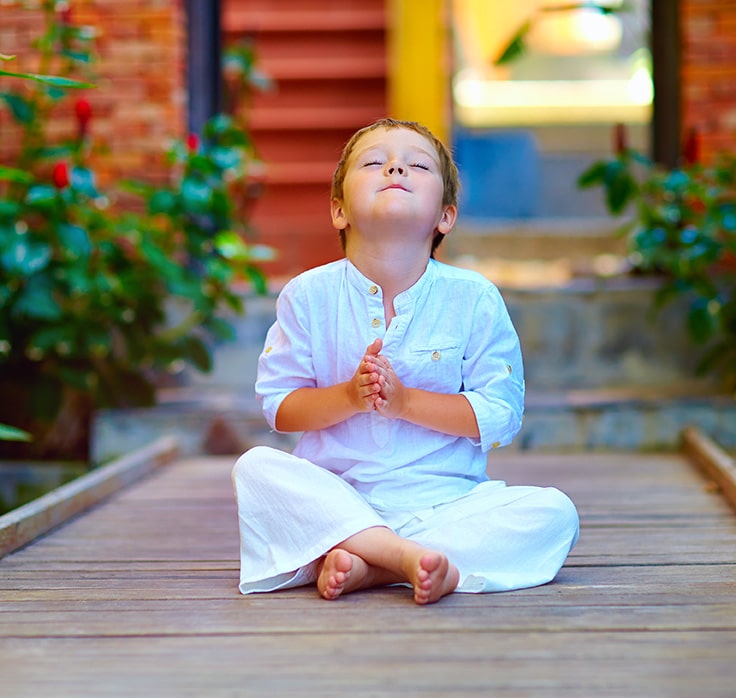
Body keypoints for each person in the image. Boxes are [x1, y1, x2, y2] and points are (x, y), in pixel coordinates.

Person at [232, 118, 579, 605]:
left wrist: (405, 402)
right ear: (338, 211)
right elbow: (280, 407)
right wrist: (351, 397)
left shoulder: (473, 297)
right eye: (374, 162)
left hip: (446, 503)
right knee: (256, 469)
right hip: (338, 498)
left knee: (554, 513)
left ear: (445, 216)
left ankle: (371, 567)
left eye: (417, 165)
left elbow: (502, 416)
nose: (395, 167)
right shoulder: (307, 295)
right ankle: (406, 560)